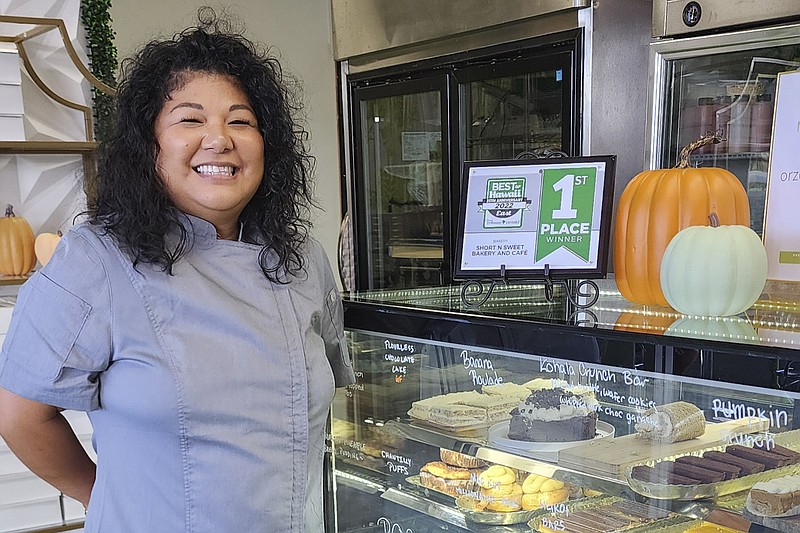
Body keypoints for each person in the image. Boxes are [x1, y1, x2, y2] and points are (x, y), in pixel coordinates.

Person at [0, 9, 353, 533]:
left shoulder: (303, 259)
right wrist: (103, 499)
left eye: (241, 120)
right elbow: (21, 416)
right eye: (190, 119)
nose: (220, 139)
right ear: (150, 146)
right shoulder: (96, 260)